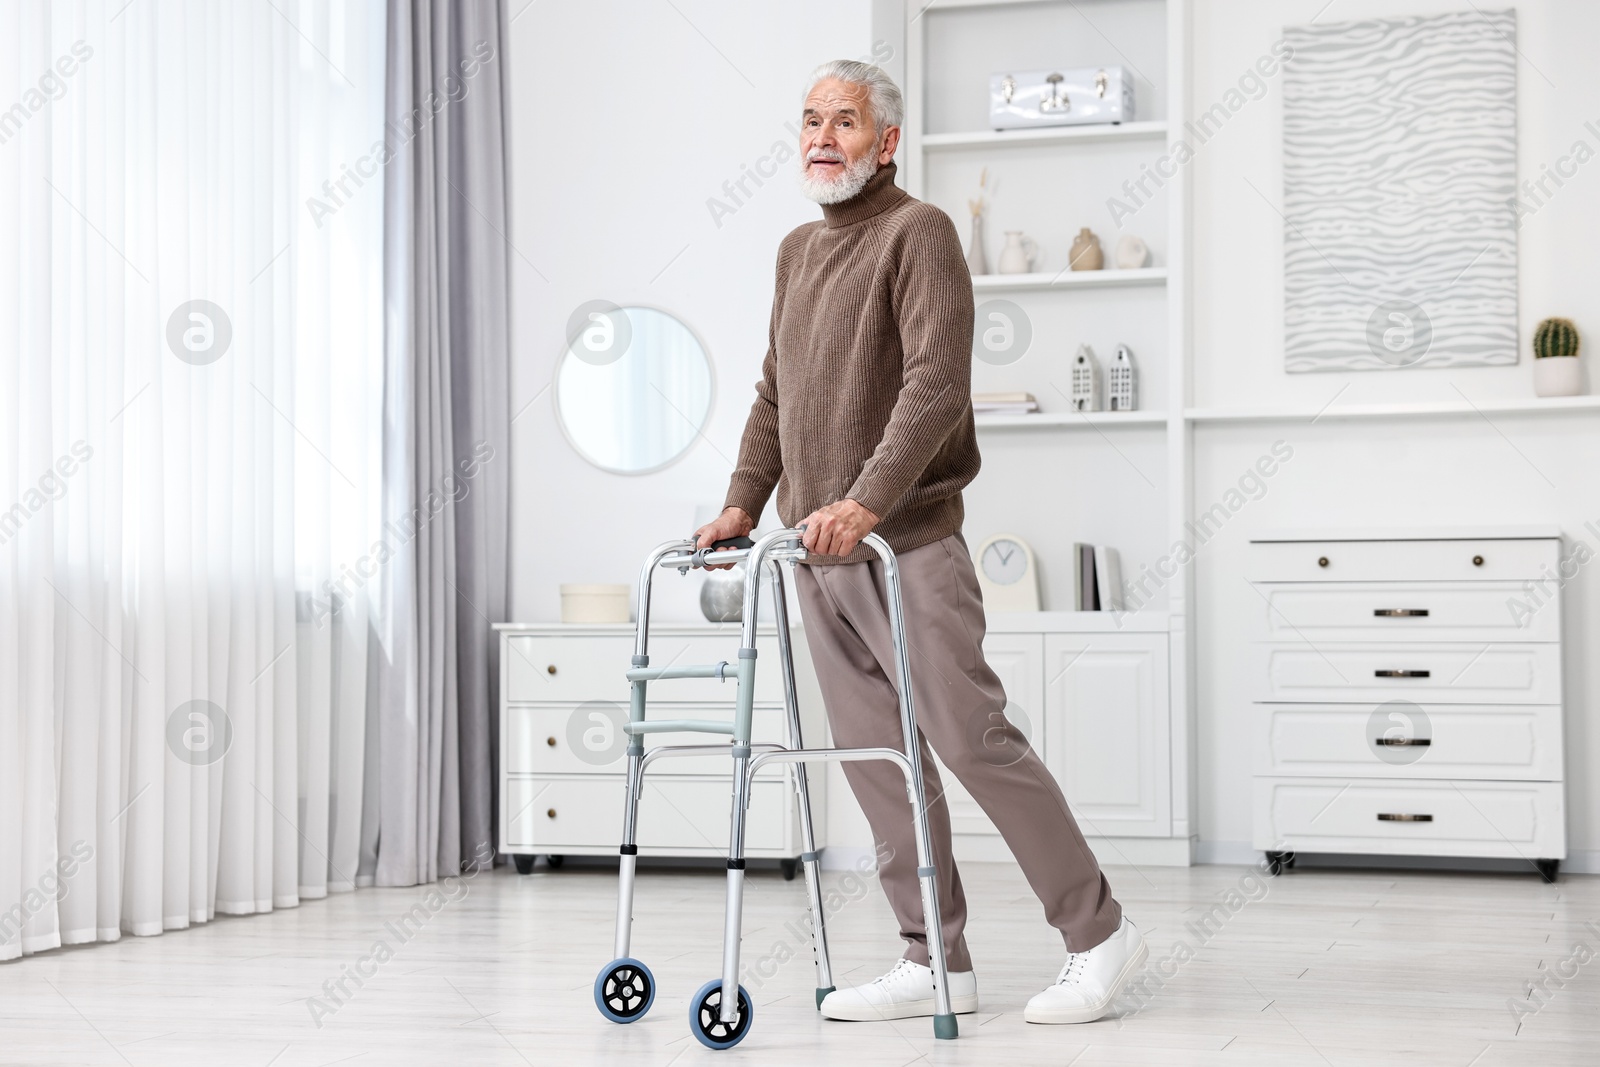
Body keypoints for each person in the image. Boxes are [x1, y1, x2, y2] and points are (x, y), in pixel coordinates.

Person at [693, 59, 1147, 1025]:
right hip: (815, 556)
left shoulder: (920, 234)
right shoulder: (795, 254)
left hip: (907, 548)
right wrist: (742, 502)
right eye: (810, 119)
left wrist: (863, 501)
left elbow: (936, 383)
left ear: (885, 141)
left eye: (844, 121)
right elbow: (777, 393)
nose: (822, 136)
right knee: (873, 757)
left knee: (972, 741)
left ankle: (1100, 933)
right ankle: (931, 955)